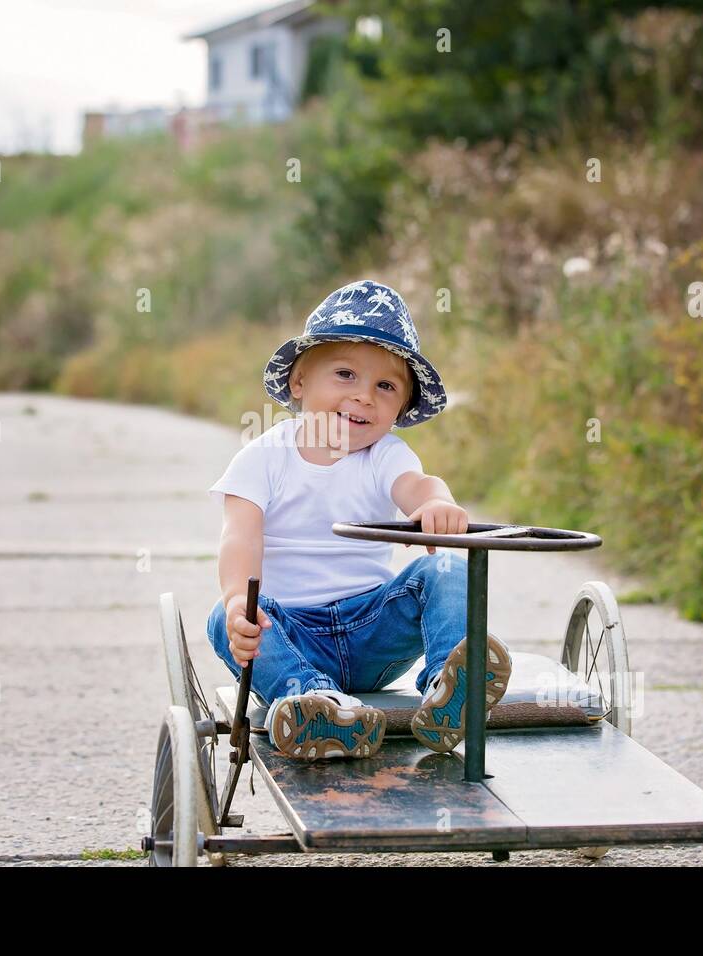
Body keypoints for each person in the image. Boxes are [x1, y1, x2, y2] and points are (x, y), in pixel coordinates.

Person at [206, 278, 511, 761]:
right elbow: (239, 539)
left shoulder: (384, 455)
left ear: (401, 408)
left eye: (385, 386)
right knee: (223, 619)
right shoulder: (263, 457)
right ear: (299, 383)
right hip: (292, 631)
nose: (364, 396)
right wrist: (237, 603)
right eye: (345, 375)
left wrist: (434, 504)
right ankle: (316, 703)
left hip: (373, 629)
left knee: (447, 569)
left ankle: (451, 691)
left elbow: (418, 485)